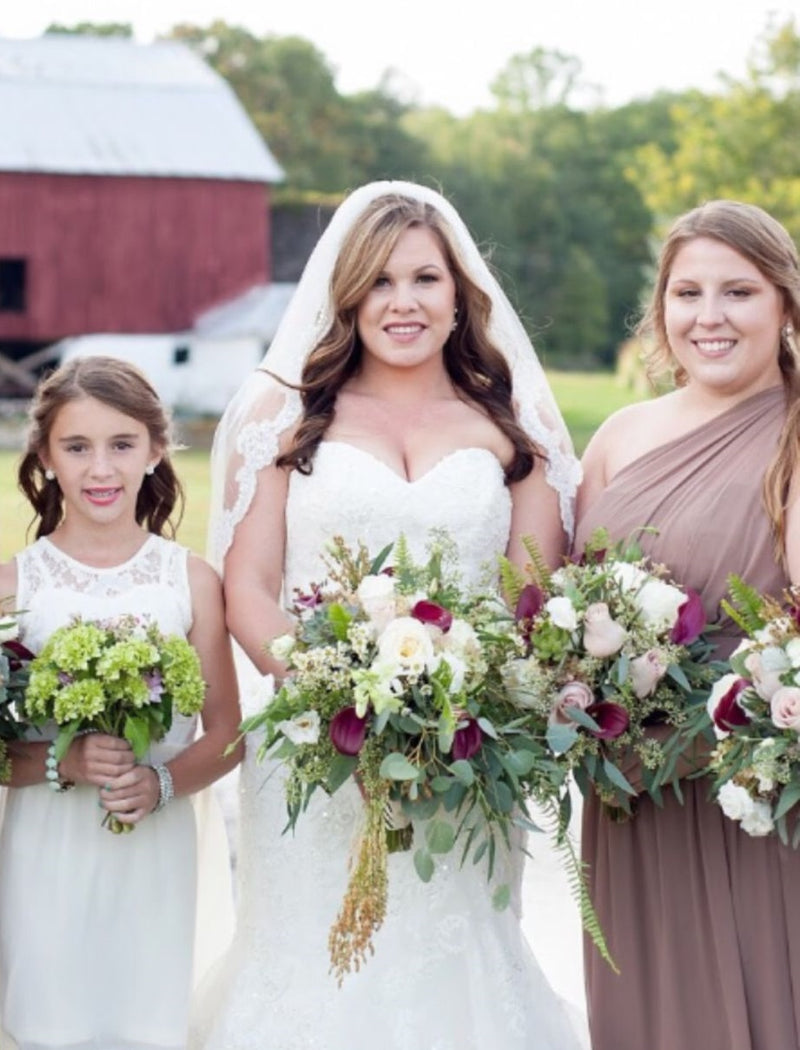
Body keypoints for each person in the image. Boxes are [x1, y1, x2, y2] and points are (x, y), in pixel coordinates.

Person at [190, 180, 586, 1049]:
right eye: (378, 282)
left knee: (457, 952)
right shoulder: (283, 416)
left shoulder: (512, 428)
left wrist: (454, 707)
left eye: (424, 280)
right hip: (311, 751)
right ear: (346, 297)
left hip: (466, 754)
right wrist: (332, 688)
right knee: (311, 961)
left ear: (459, 297)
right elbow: (247, 587)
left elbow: (533, 605)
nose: (401, 302)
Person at [575, 199, 800, 1050]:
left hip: (753, 798)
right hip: (629, 796)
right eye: (687, 292)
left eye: (738, 292)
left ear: (783, 303)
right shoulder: (622, 436)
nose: (709, 317)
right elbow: (565, 600)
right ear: (660, 306)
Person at [0, 356, 243, 1050]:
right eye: (76, 447)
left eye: (121, 445)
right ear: (45, 456)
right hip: (50, 849)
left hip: (155, 846)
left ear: (156, 450)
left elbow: (227, 732)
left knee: (147, 1021)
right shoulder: (15, 587)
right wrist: (63, 761)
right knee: (49, 1020)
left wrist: (162, 779)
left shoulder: (190, 580)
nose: (100, 469)